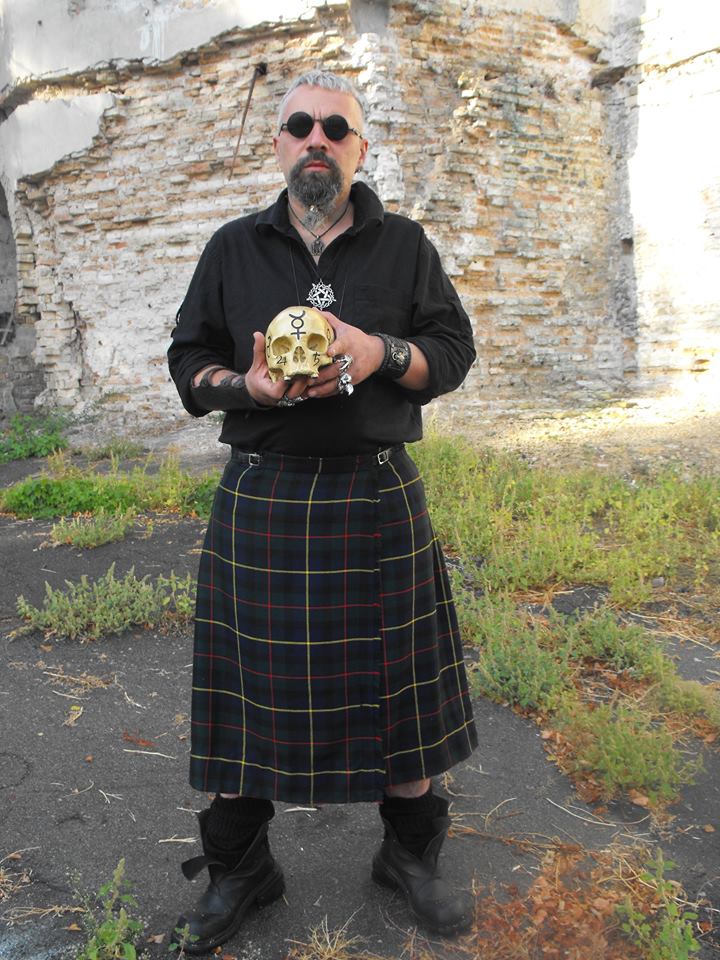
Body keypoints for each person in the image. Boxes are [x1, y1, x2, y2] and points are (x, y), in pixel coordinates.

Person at [167, 69, 478, 955]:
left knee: (399, 697)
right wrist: (247, 385)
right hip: (262, 498)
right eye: (300, 125)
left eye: (336, 128)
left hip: (377, 494)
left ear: (359, 148)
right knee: (247, 698)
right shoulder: (233, 248)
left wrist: (381, 352)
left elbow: (453, 352)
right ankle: (241, 872)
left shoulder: (404, 245)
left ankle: (408, 858)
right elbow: (188, 360)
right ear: (278, 144)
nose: (317, 139)